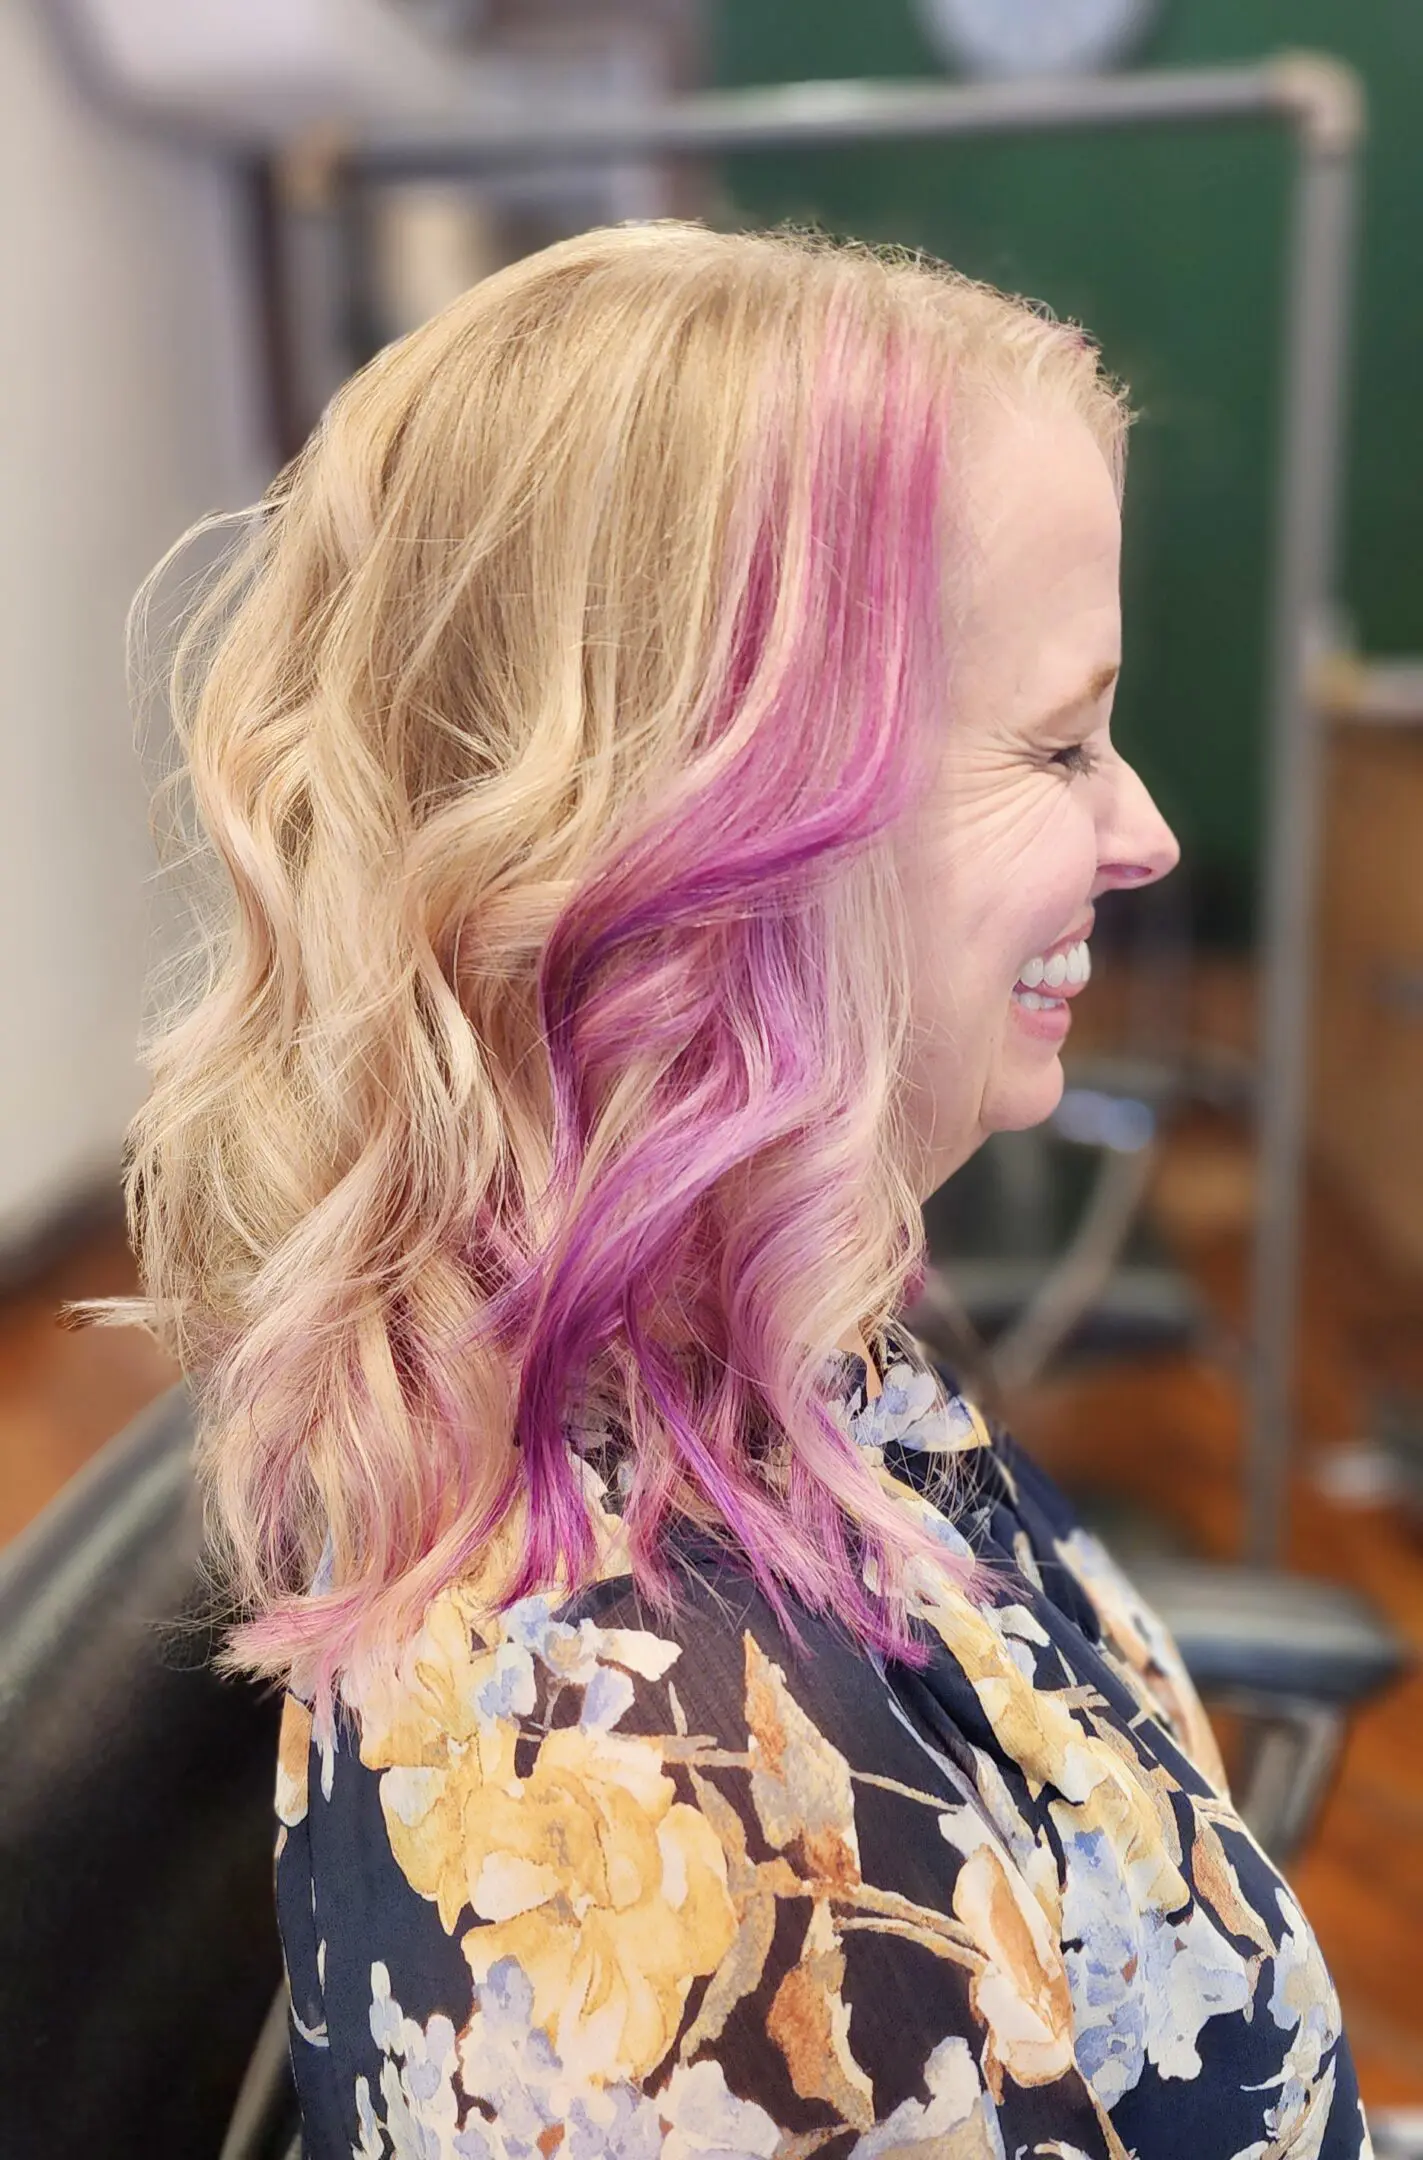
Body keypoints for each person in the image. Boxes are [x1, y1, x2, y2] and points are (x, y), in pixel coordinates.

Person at [85, 221, 1371, 2157]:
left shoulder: (751, 1323)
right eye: (1054, 743)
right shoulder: (696, 1866)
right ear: (707, 831)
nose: (1148, 831)